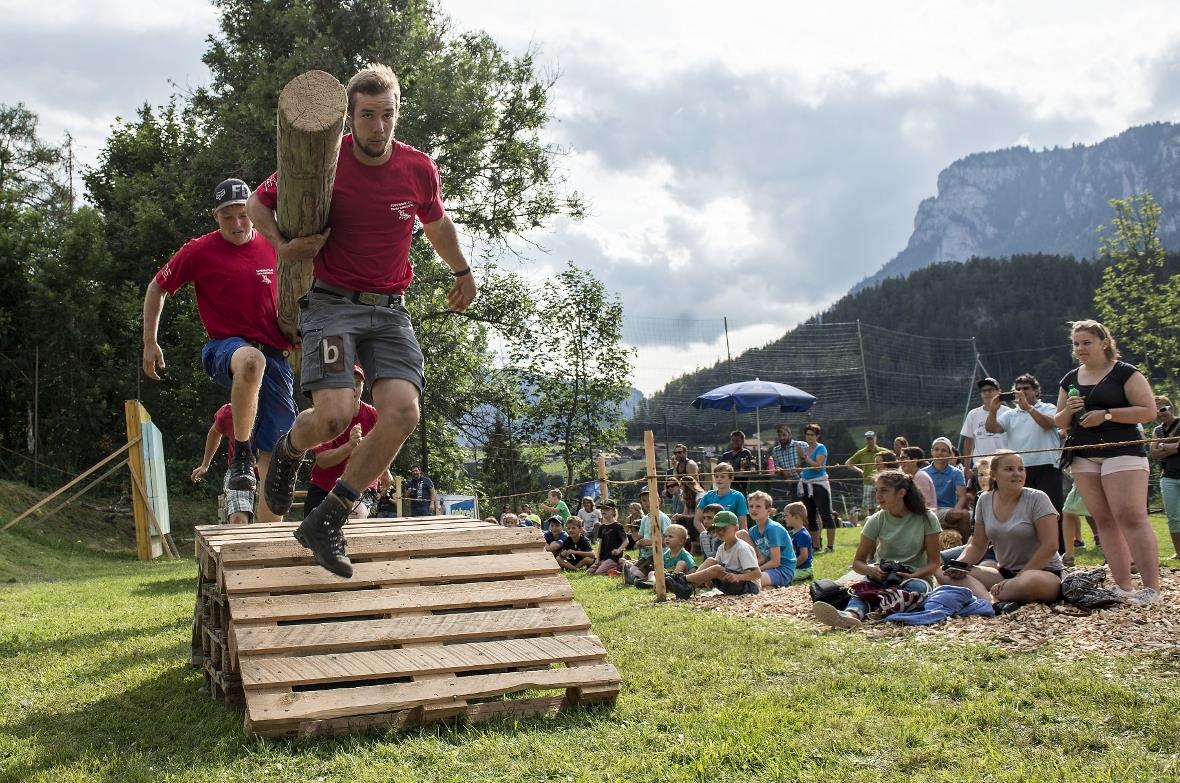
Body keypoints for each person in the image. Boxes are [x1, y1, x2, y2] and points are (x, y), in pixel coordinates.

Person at [249, 63, 477, 577]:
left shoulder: (418, 168)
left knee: (402, 412)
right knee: (334, 416)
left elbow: (437, 224)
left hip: (391, 309)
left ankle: (329, 518)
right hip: (331, 302)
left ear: (398, 113)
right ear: (350, 118)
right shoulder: (324, 164)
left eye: (387, 115)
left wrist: (462, 269)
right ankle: (288, 452)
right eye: (368, 116)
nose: (378, 126)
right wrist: (284, 248)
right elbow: (258, 204)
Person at [143, 178, 296, 521]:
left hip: (277, 355)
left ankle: (265, 546)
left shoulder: (273, 243)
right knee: (251, 362)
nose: (238, 223)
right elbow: (157, 287)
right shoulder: (199, 250)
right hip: (225, 348)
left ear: (254, 212)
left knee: (276, 453)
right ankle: (241, 454)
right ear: (216, 216)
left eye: (243, 214)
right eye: (228, 217)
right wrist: (150, 342)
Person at [1055, 320, 1160, 603]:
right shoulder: (1070, 379)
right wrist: (1069, 409)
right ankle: (1122, 586)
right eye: (1076, 344)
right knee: (1103, 520)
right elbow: (1058, 421)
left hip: (1122, 449)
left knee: (1130, 515)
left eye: (1086, 342)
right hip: (1082, 453)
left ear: (1104, 342)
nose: (1080, 349)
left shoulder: (1125, 373)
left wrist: (1107, 414)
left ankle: (1151, 589)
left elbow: (1149, 411)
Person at [812, 470, 941, 629]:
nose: (878, 495)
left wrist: (913, 575)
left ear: (901, 493)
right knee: (862, 589)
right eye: (877, 490)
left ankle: (877, 608)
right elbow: (857, 563)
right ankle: (851, 615)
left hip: (915, 579)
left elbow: (935, 562)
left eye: (884, 490)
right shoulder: (876, 520)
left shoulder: (927, 518)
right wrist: (871, 570)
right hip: (882, 577)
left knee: (915, 589)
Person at [936, 450, 1063, 606]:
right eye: (1009, 469)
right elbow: (977, 544)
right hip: (1003, 573)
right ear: (994, 474)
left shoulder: (1038, 498)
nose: (1017, 474)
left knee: (1029, 581)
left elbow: (1050, 547)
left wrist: (1019, 578)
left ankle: (983, 595)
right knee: (942, 571)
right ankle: (992, 601)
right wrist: (959, 565)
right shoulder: (984, 499)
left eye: (1020, 469)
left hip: (1041, 573)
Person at [986, 373, 1065, 550]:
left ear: (1037, 391)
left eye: (1026, 389)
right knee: (1022, 511)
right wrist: (992, 410)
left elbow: (1048, 424)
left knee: (1051, 510)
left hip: (1046, 465)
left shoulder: (1048, 407)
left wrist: (1028, 407)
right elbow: (992, 428)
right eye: (1018, 390)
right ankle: (1029, 548)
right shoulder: (1011, 414)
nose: (1022, 392)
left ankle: (1058, 550)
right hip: (1020, 470)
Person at [305, 365, 393, 520]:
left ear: (363, 387)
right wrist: (350, 446)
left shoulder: (373, 415)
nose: (353, 388)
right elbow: (322, 461)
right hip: (324, 485)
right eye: (348, 383)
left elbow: (382, 448)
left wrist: (385, 471)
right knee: (311, 532)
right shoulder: (328, 415)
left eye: (357, 384)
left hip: (361, 485)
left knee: (356, 516)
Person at [669, 511, 761, 597]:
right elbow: (715, 568)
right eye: (717, 529)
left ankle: (683, 579)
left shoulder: (742, 548)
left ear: (736, 528)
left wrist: (738, 577)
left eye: (724, 529)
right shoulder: (721, 547)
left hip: (749, 586)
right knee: (711, 561)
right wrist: (707, 578)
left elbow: (757, 574)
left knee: (717, 568)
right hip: (730, 582)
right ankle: (689, 588)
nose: (720, 532)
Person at [192, 403, 254, 525]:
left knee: (267, 520)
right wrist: (205, 464)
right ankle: (239, 539)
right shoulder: (229, 412)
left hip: (268, 469)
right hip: (238, 471)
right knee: (239, 521)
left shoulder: (274, 408)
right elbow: (214, 433)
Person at [740, 491, 796, 588]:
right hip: (767, 567)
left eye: (758, 506)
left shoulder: (773, 528)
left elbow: (775, 561)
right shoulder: (753, 531)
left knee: (750, 582)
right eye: (751, 506)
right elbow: (761, 557)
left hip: (782, 570)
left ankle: (777, 584)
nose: (753, 509)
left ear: (768, 511)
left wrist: (756, 571)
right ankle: (772, 586)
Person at [921, 437, 971, 543]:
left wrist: (957, 509)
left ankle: (966, 546)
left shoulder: (956, 472)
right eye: (937, 449)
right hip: (929, 510)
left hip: (948, 510)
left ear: (949, 454)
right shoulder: (923, 473)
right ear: (932, 452)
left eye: (944, 450)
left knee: (964, 514)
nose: (940, 453)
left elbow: (962, 495)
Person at [693, 462, 749, 557]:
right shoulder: (707, 496)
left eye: (722, 476)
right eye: (716, 476)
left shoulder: (738, 497)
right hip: (712, 536)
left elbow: (743, 524)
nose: (719, 479)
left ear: (731, 478)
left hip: (729, 536)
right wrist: (707, 534)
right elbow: (697, 520)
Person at [960, 377, 1009, 484]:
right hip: (981, 465)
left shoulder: (1009, 412)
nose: (987, 393)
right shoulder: (973, 414)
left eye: (991, 390)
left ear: (999, 391)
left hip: (1004, 463)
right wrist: (967, 467)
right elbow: (968, 442)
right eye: (984, 391)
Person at [797, 422, 836, 553]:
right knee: (810, 517)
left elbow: (818, 465)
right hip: (805, 483)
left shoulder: (821, 448)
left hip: (819, 484)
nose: (809, 437)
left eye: (812, 435)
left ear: (817, 436)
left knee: (826, 515)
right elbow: (799, 466)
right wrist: (799, 457)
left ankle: (830, 546)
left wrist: (804, 456)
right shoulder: (804, 448)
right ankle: (816, 546)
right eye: (807, 434)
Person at [1150, 395, 1180, 561]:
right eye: (1156, 411)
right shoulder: (1157, 430)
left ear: (1170, 407)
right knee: (1173, 516)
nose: (1160, 414)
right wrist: (1173, 446)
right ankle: (1179, 552)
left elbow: (1158, 448)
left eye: (1162, 409)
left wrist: (1162, 445)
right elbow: (1153, 452)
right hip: (1167, 476)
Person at [623, 488, 671, 585]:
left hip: (659, 555)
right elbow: (641, 536)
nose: (647, 503)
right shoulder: (645, 519)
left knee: (639, 572)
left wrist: (649, 542)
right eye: (644, 500)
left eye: (650, 499)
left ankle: (640, 579)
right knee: (632, 569)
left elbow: (668, 540)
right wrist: (637, 540)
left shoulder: (662, 518)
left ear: (659, 500)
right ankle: (635, 576)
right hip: (645, 555)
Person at [845, 431, 893, 516]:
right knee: (870, 508)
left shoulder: (884, 451)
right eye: (868, 439)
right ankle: (873, 523)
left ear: (875, 439)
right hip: (868, 483)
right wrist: (860, 471)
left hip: (883, 482)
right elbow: (848, 463)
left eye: (871, 438)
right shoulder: (861, 452)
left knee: (883, 504)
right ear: (865, 440)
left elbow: (893, 462)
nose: (870, 440)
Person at [634, 524, 696, 588]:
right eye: (666, 536)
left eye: (670, 537)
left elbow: (693, 570)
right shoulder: (666, 553)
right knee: (652, 572)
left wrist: (687, 580)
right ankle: (651, 582)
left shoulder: (685, 554)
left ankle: (673, 581)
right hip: (667, 576)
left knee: (681, 563)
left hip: (679, 578)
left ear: (681, 541)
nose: (667, 539)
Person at [589, 499, 628, 575]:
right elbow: (600, 544)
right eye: (602, 509)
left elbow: (626, 540)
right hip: (603, 558)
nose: (603, 511)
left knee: (598, 573)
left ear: (613, 511)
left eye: (606, 509)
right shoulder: (602, 527)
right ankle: (621, 563)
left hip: (613, 558)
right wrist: (598, 559)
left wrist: (619, 550)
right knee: (589, 572)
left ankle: (619, 567)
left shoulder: (617, 526)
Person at [769, 425, 802, 507]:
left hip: (805, 481)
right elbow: (776, 467)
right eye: (780, 436)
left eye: (784, 435)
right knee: (795, 509)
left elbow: (808, 460)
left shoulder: (801, 445)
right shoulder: (776, 450)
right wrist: (783, 471)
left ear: (789, 435)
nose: (782, 438)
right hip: (792, 484)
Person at [900, 447, 938, 515]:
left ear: (915, 461)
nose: (900, 462)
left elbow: (925, 503)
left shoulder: (921, 476)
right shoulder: (911, 476)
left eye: (903, 458)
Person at [717, 431, 755, 495]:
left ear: (742, 441)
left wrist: (729, 472)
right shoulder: (726, 455)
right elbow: (721, 471)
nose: (734, 442)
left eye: (737, 440)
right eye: (733, 440)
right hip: (726, 486)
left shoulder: (745, 453)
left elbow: (744, 471)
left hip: (740, 486)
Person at [784, 501, 814, 582]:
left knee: (782, 576)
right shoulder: (793, 532)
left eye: (786, 516)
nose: (784, 518)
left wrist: (790, 566)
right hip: (797, 568)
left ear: (796, 517)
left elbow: (804, 556)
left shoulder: (802, 535)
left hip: (803, 570)